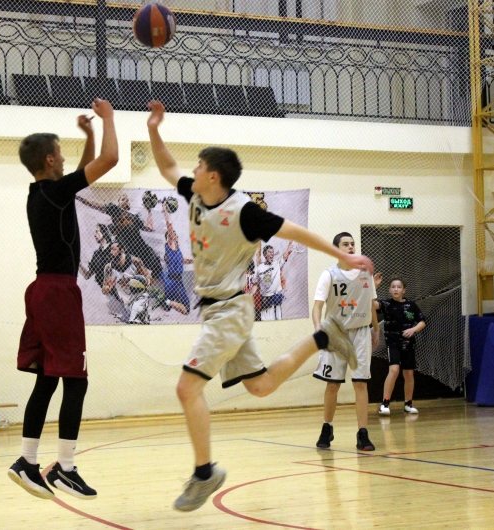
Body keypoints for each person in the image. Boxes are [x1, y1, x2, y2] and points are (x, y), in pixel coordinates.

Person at [146, 100, 374, 512]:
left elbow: (295, 232)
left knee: (186, 388)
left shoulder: (245, 212)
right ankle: (323, 337)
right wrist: (153, 129)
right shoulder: (195, 194)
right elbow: (166, 166)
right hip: (219, 311)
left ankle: (204, 473)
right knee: (261, 386)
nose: (192, 170)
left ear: (213, 176)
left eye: (199, 166)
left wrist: (342, 256)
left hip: (230, 310)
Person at [7, 99, 118, 501]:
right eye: (62, 152)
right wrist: (108, 120)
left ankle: (27, 461)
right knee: (76, 381)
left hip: (42, 291)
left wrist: (88, 135)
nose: (66, 159)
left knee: (48, 378)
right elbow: (110, 159)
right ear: (51, 159)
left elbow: (79, 176)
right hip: (58, 293)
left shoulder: (43, 193)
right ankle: (65, 468)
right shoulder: (56, 192)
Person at [312, 232, 380, 452]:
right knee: (333, 384)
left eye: (352, 244)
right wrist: (317, 328)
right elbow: (317, 306)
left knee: (360, 383)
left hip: (360, 332)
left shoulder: (366, 273)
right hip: (335, 333)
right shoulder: (328, 275)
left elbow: (371, 303)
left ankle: (363, 433)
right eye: (345, 244)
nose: (351, 247)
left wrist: (376, 328)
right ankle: (327, 427)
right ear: (336, 249)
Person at [76, 192, 163, 279]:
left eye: (127, 200)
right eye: (123, 199)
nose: (126, 201)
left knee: (157, 267)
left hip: (141, 247)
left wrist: (149, 211)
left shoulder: (134, 218)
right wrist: (79, 198)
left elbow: (150, 228)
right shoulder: (115, 210)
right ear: (118, 202)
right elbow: (96, 205)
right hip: (127, 250)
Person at [373, 274, 426, 415]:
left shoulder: (411, 305)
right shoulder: (386, 304)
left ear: (404, 290)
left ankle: (408, 404)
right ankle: (385, 404)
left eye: (399, 287)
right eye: (393, 287)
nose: (396, 289)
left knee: (409, 373)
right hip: (393, 343)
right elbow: (372, 304)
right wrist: (374, 286)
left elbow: (422, 322)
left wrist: (413, 329)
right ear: (389, 290)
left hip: (408, 345)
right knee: (394, 371)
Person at [155, 203, 194, 315]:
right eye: (171, 235)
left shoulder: (177, 250)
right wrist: (165, 211)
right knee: (182, 309)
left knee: (180, 309)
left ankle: (165, 301)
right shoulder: (171, 245)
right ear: (169, 238)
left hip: (176, 281)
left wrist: (195, 261)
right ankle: (165, 301)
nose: (174, 236)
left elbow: (183, 260)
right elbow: (169, 225)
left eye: (174, 235)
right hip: (173, 280)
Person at [102, 241, 153, 324]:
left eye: (114, 249)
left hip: (139, 297)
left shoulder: (135, 261)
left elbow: (148, 277)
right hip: (127, 302)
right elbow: (104, 290)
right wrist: (108, 287)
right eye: (110, 250)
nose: (111, 252)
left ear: (122, 250)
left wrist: (141, 282)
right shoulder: (109, 268)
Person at [254, 242, 293, 321]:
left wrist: (289, 248)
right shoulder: (259, 268)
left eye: (272, 252)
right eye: (269, 252)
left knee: (278, 320)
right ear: (265, 255)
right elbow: (255, 284)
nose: (272, 254)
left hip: (275, 297)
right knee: (266, 321)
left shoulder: (277, 263)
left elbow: (285, 255)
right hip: (265, 299)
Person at [79, 223, 112, 288]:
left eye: (97, 232)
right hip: (105, 288)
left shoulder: (114, 247)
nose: (94, 235)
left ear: (104, 232)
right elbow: (87, 275)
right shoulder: (96, 254)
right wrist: (78, 264)